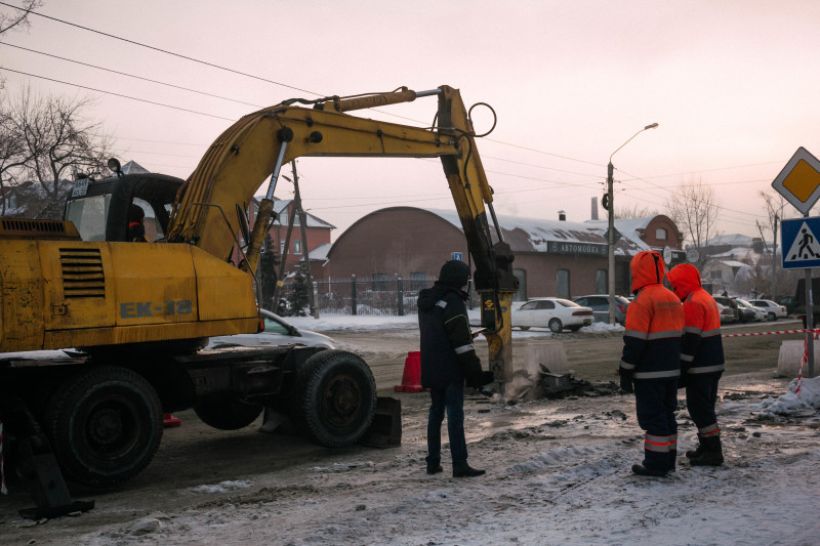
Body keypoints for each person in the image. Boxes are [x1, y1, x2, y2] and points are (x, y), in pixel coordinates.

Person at [417, 259, 488, 478]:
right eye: (466, 279)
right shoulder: (453, 302)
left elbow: (437, 333)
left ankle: (433, 462)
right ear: (459, 280)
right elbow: (462, 344)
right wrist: (476, 373)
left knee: (435, 414)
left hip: (431, 366)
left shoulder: (429, 301)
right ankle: (459, 464)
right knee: (455, 415)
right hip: (450, 368)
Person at [619, 250, 684, 477]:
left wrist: (625, 371)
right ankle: (669, 460)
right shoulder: (673, 298)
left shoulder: (642, 301)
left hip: (649, 373)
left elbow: (635, 342)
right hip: (671, 371)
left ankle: (656, 465)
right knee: (667, 416)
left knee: (653, 418)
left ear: (637, 272)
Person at [667, 263, 725, 466]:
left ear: (682, 284)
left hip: (701, 367)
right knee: (705, 407)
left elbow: (691, 341)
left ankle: (713, 451)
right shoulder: (705, 297)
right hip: (713, 364)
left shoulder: (692, 302)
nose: (673, 290)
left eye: (674, 286)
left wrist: (682, 368)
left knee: (700, 409)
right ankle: (707, 447)